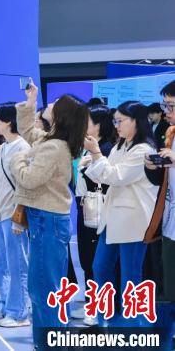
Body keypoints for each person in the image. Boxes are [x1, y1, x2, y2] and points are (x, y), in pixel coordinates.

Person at [12, 83, 88, 349]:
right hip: (49, 220)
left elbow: (28, 178)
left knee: (43, 288)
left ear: (61, 115)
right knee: (48, 286)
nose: (51, 104)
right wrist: (30, 102)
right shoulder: (53, 141)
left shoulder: (54, 147)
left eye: (56, 103)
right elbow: (28, 131)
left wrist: (18, 159)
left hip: (47, 220)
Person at [84, 101, 158, 325]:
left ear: (136, 121)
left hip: (133, 221)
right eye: (115, 121)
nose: (116, 125)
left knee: (130, 276)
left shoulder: (144, 150)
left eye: (120, 121)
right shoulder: (120, 146)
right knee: (100, 268)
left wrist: (96, 154)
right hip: (112, 218)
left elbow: (115, 176)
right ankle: (105, 319)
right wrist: (95, 159)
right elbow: (104, 175)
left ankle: (131, 326)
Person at [0, 103, 31, 328]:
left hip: (13, 214)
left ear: (9, 122)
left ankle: (19, 313)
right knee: (0, 263)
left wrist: (19, 218)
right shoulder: (3, 147)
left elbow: (25, 185)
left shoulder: (23, 147)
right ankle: (4, 306)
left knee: (17, 265)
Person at [75, 104, 116, 326]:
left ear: (98, 125)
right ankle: (92, 303)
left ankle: (100, 306)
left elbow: (104, 180)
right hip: (85, 207)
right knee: (86, 258)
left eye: (87, 121)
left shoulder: (105, 149)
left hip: (98, 209)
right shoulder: (88, 147)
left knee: (95, 259)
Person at [145, 80, 175, 305]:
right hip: (169, 221)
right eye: (165, 106)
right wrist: (153, 167)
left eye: (171, 106)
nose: (166, 112)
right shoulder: (171, 134)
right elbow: (163, 180)